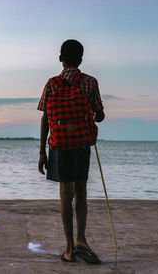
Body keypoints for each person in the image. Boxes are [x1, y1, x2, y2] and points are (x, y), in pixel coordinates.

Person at [37, 39, 105, 263]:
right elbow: (99, 114)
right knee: (81, 191)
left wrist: (42, 152)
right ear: (82, 59)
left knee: (65, 193)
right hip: (81, 144)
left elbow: (45, 117)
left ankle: (68, 249)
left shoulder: (52, 83)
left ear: (60, 59)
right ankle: (81, 240)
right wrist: (95, 115)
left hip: (59, 144)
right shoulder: (90, 82)